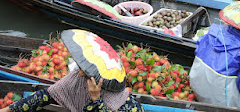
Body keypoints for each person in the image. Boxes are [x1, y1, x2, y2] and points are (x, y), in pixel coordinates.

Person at [0, 30, 144, 112]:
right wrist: (9, 110)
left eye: (84, 71)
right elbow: (46, 95)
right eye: (81, 67)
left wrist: (96, 100)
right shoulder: (77, 77)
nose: (80, 72)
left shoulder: (126, 106)